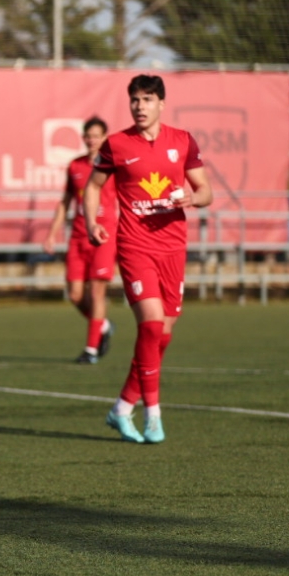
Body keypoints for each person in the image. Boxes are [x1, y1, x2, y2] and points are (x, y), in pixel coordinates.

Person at [85, 75, 211, 444]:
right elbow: (93, 187)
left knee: (163, 336)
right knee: (152, 326)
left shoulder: (182, 141)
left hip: (173, 247)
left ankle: (122, 407)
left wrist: (192, 198)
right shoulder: (116, 144)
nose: (140, 106)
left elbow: (206, 190)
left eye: (147, 99)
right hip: (134, 244)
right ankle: (153, 414)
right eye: (135, 100)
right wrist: (92, 222)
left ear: (161, 104)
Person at [43, 116, 117, 364]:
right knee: (75, 294)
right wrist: (51, 234)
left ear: (105, 138)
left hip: (104, 235)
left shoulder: (112, 166)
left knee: (97, 292)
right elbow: (65, 203)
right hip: (78, 236)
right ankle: (103, 325)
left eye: (97, 136)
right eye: (88, 136)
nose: (92, 140)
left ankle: (91, 350)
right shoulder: (75, 166)